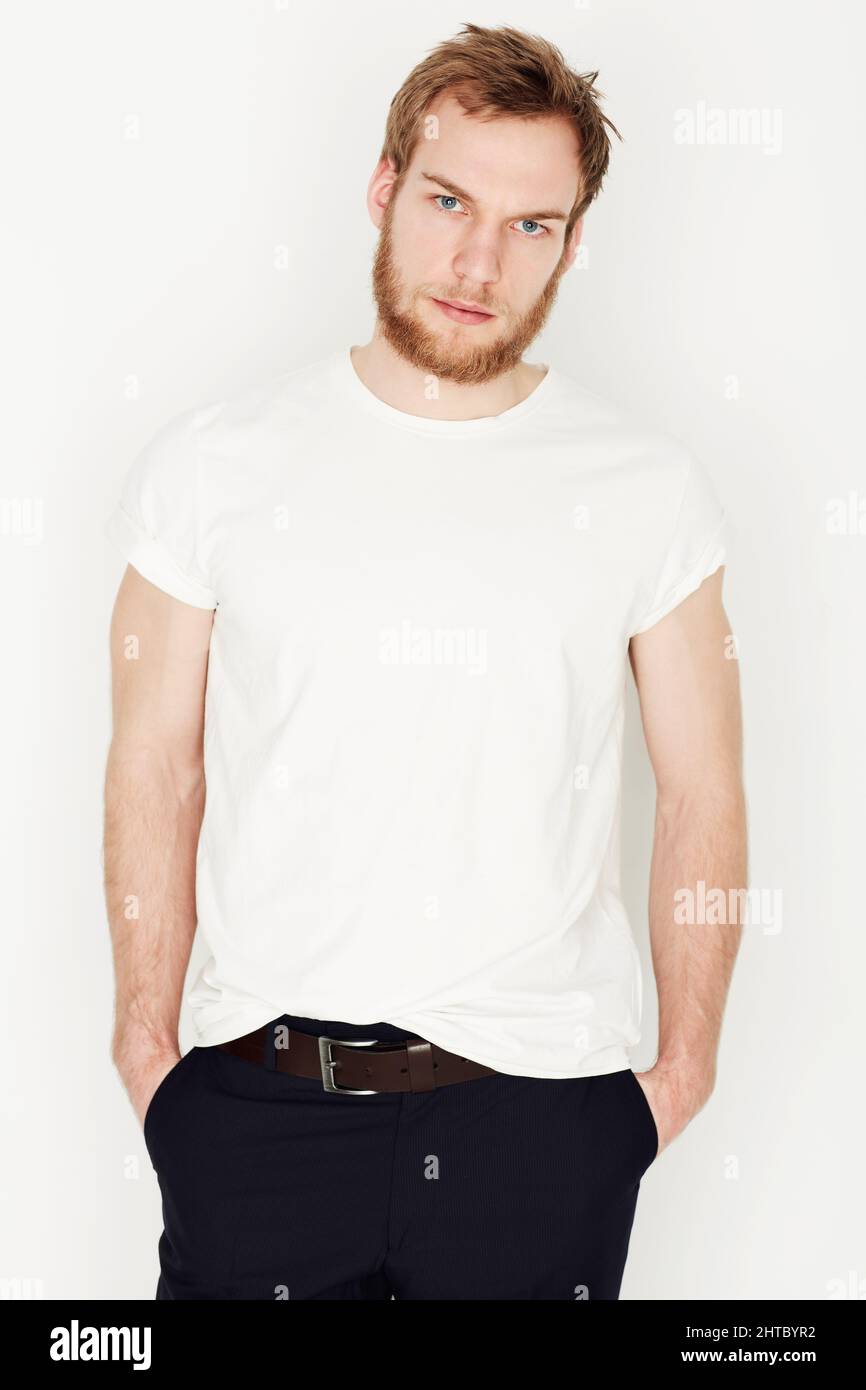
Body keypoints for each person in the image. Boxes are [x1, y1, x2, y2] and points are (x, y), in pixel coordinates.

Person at [103, 22, 746, 1301]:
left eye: (532, 225)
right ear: (384, 186)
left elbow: (703, 793)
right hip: (257, 1108)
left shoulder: (643, 489)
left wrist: (675, 1077)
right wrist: (148, 1050)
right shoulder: (214, 467)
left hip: (541, 1121)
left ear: (570, 241)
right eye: (449, 200)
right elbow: (155, 768)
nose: (478, 261)